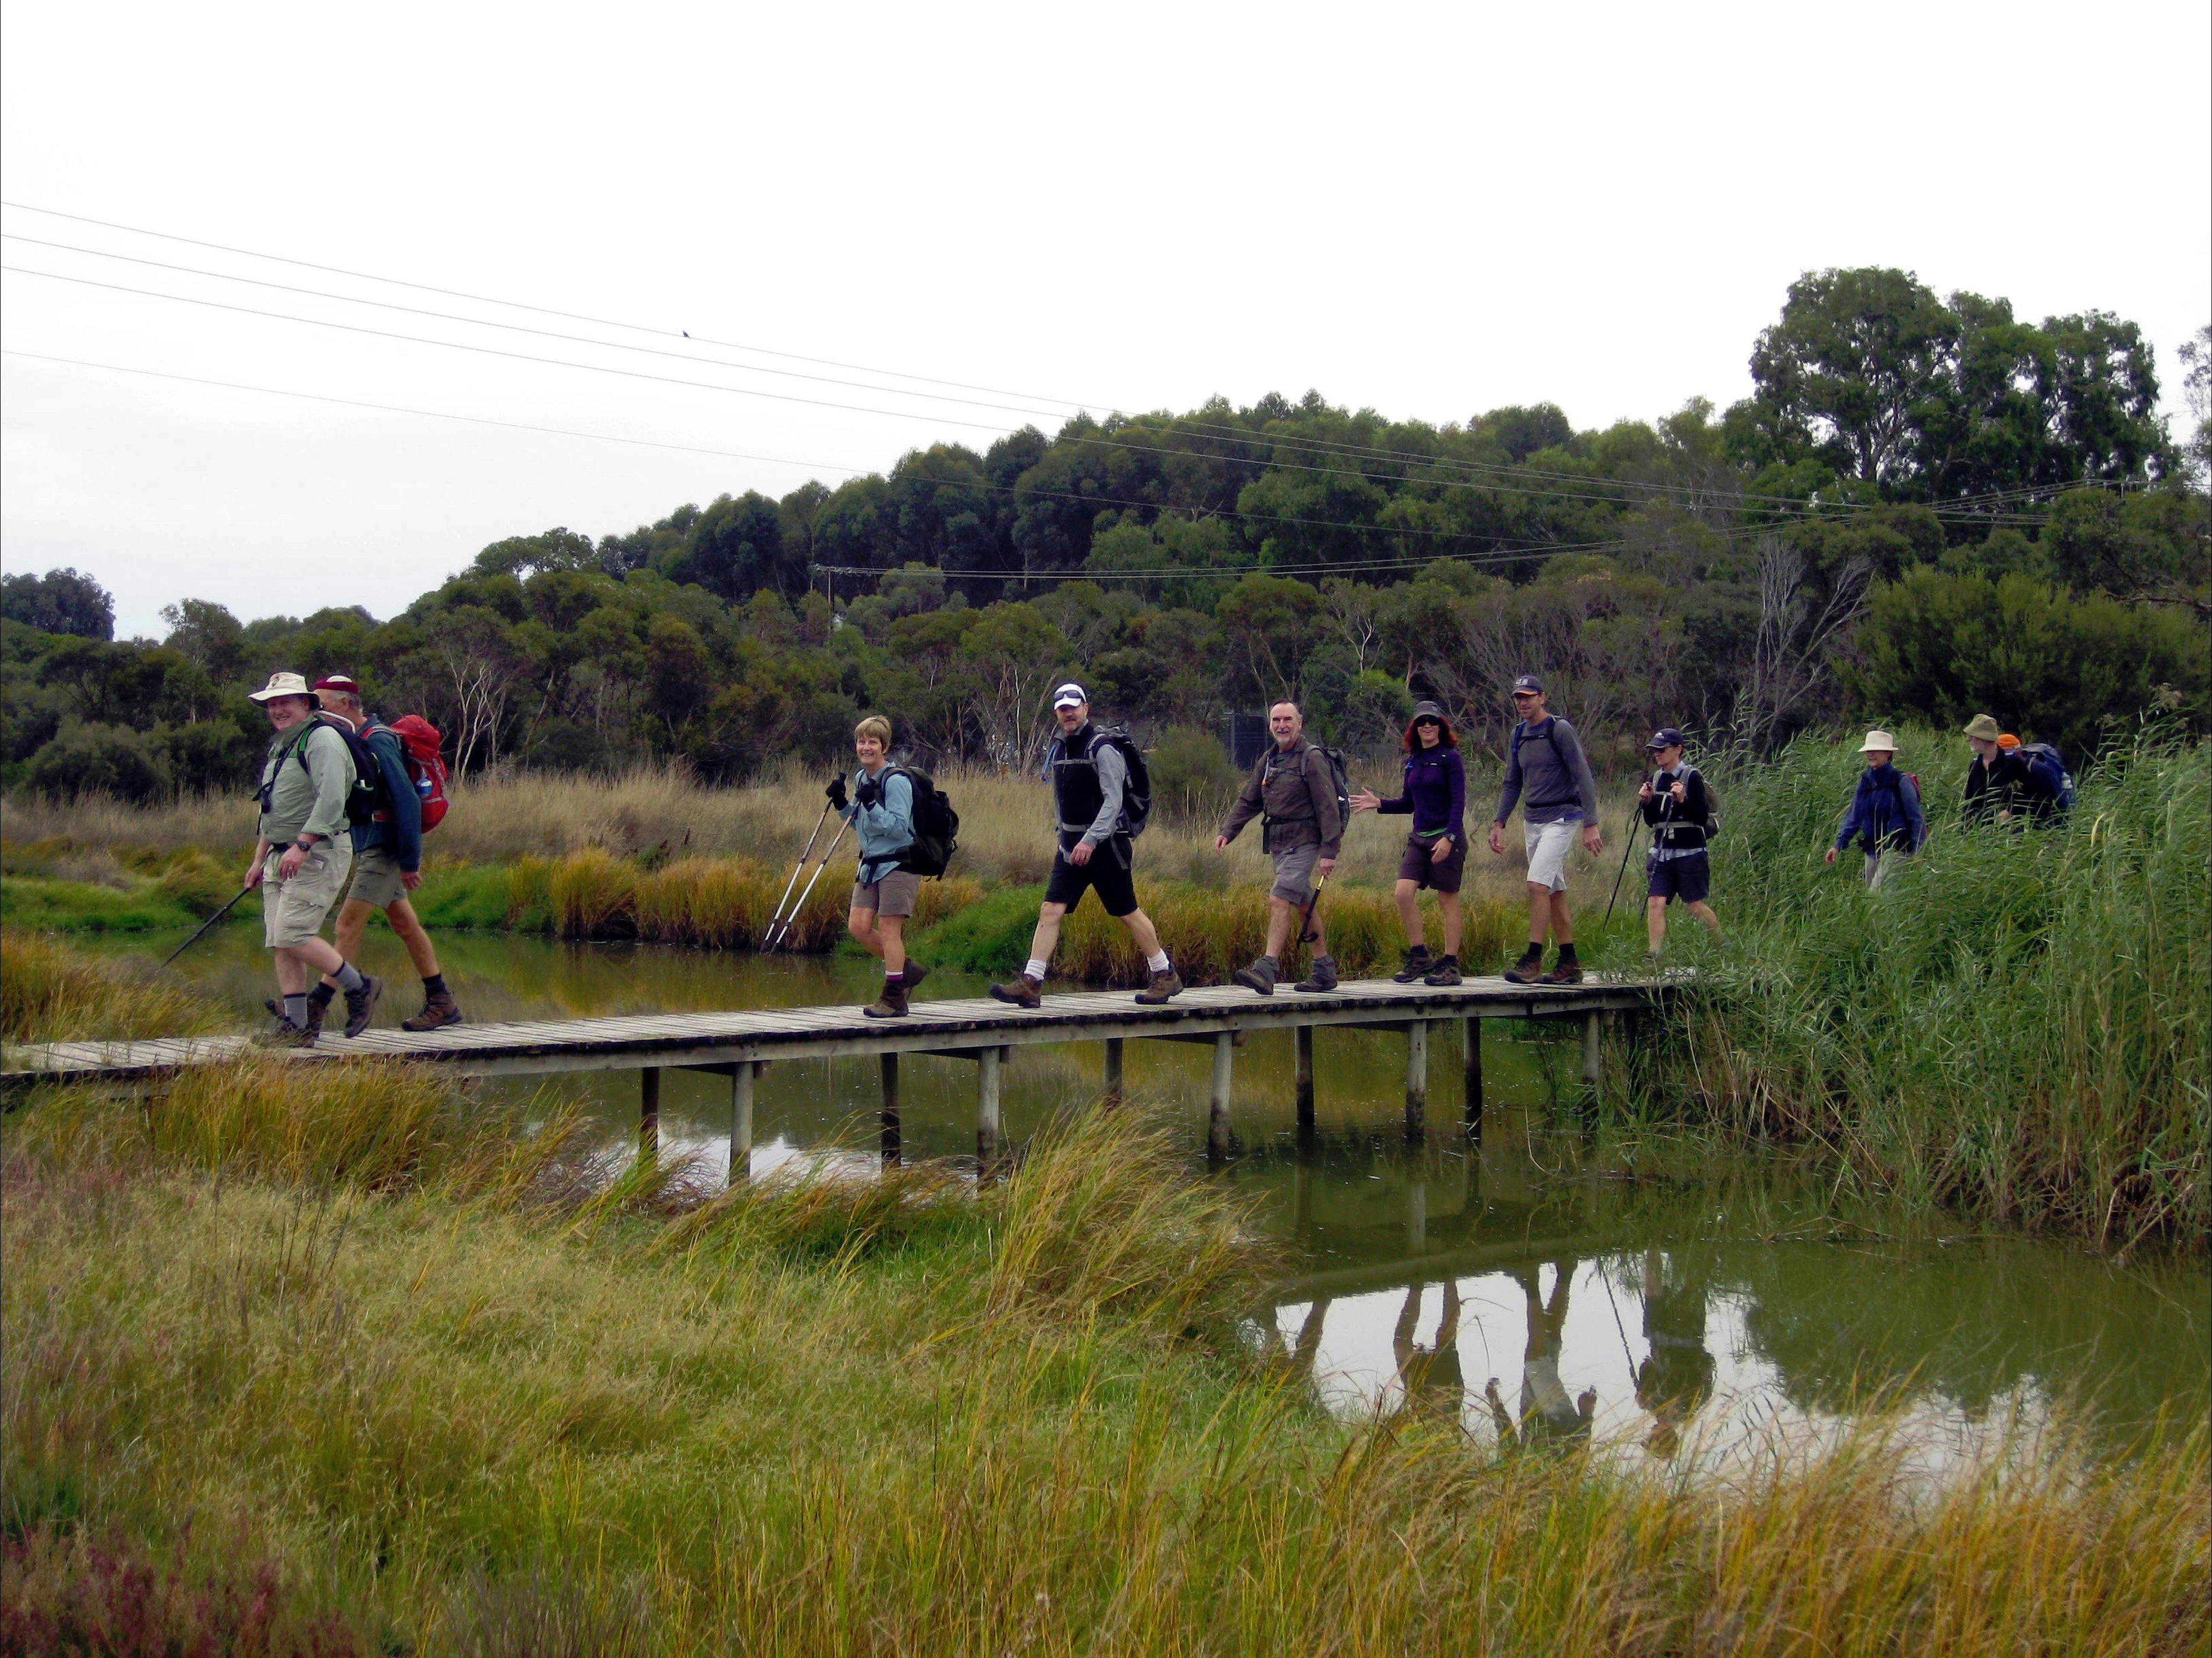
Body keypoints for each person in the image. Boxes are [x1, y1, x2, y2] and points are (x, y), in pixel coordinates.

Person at [990, 683, 1181, 1007]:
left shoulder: (1102, 746)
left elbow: (1114, 800)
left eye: (1073, 707)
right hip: (1070, 850)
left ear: (1086, 709)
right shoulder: (1060, 748)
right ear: (1056, 713)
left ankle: (1165, 975)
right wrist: (1064, 839)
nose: (1068, 713)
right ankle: (1032, 982)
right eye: (1062, 708)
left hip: (1108, 847)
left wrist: (1091, 840)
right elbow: (1061, 800)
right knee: (1051, 909)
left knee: (1127, 912)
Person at [309, 674, 461, 1034]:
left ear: (345, 704)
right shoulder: (358, 740)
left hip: (385, 849)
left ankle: (317, 1005)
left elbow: (407, 801)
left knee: (347, 925)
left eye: (322, 704)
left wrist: (410, 861)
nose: (317, 712)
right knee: (405, 926)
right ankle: (442, 1002)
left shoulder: (377, 742)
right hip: (373, 846)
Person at [242, 673, 381, 1042]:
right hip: (279, 855)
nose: (278, 709)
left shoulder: (323, 740)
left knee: (292, 933)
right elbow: (273, 810)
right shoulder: (282, 746)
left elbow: (333, 799)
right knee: (279, 938)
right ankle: (297, 1025)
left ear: (306, 704)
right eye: (272, 703)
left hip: (317, 852)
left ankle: (360, 987)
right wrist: (258, 861)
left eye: (286, 701)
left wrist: (302, 845)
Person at [1217, 701, 1346, 995]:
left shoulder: (1312, 758)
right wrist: (1228, 831)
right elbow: (1250, 799)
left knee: (1278, 898)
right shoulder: (1270, 758)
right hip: (1279, 843)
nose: (1282, 726)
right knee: (1302, 904)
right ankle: (1324, 970)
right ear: (1270, 725)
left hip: (1306, 842)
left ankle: (1266, 970)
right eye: (1276, 720)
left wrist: (1329, 851)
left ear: (1300, 724)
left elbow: (1328, 808)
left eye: (1288, 720)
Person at [1488, 675, 1601, 985]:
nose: (1523, 702)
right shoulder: (1519, 734)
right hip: (1533, 820)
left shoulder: (1558, 729)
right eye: (1518, 698)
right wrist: (1500, 822)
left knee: (1537, 886)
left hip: (1562, 818)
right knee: (1553, 894)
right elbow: (1513, 782)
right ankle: (1569, 963)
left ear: (1542, 697)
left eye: (1528, 696)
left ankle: (1533, 958)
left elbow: (1583, 775)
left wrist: (1590, 824)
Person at [1350, 700, 1468, 984]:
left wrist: (1449, 838)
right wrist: (1378, 803)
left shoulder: (1449, 758)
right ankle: (1420, 956)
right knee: (1403, 893)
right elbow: (1408, 803)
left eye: (1432, 720)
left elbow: (1458, 801)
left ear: (1441, 726)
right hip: (1419, 838)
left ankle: (1451, 966)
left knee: (1446, 900)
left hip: (1445, 837)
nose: (1427, 726)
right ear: (1415, 728)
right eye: (1421, 722)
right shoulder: (1413, 760)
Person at [831, 714, 927, 1019]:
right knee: (858, 927)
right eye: (862, 741)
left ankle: (894, 997)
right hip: (871, 864)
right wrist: (841, 804)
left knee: (889, 930)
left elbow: (900, 830)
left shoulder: (897, 782)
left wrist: (873, 804)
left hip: (900, 863)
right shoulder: (862, 779)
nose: (866, 747)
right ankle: (906, 970)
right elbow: (860, 825)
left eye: (873, 741)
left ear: (885, 747)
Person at [1638, 727, 1721, 958]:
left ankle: (1720, 945)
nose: (1657, 755)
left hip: (1690, 853)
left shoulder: (1692, 777)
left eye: (1662, 750)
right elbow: (1652, 821)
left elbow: (1700, 816)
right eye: (1655, 751)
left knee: (1694, 906)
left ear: (1678, 750)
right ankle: (1654, 955)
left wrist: (1683, 800)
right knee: (1656, 901)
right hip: (1662, 852)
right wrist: (1647, 802)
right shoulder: (1657, 778)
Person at [1826, 729, 1924, 887]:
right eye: (1868, 751)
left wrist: (1918, 851)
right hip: (1872, 850)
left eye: (1875, 750)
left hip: (1897, 849)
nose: (1870, 754)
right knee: (1871, 902)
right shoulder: (1866, 781)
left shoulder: (1901, 781)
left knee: (1878, 896)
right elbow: (1854, 816)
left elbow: (1916, 818)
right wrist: (1838, 845)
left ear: (1888, 754)